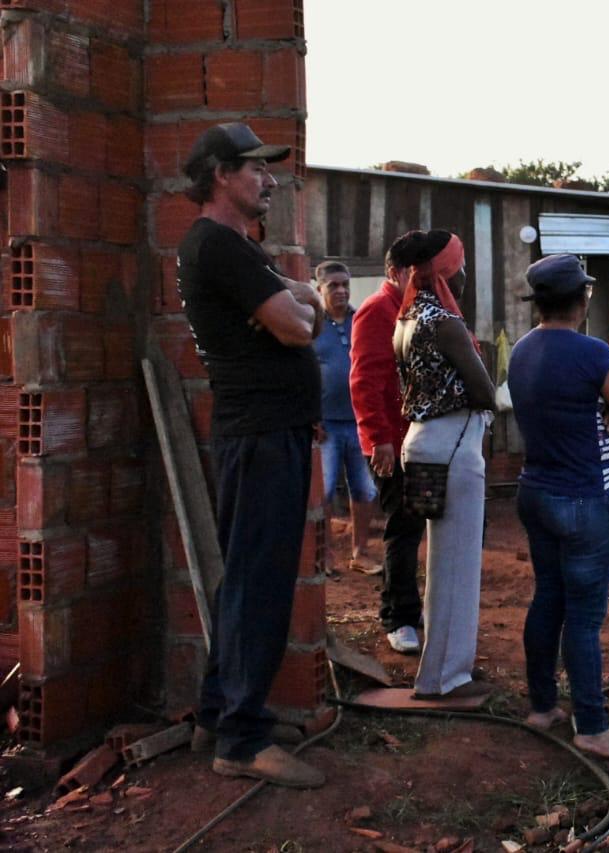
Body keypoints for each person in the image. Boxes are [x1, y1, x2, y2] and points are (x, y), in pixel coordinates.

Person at [178, 122, 325, 787]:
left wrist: (298, 298)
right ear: (219, 175)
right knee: (261, 586)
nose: (269, 180)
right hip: (261, 437)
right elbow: (298, 323)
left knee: (245, 579)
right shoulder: (221, 247)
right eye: (256, 170)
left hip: (269, 432)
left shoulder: (240, 249)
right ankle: (241, 738)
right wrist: (302, 304)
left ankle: (222, 712)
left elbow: (299, 301)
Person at [508, 254, 609, 759]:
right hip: (585, 498)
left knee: (548, 598)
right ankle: (591, 726)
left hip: (535, 491)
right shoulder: (594, 355)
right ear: (583, 299)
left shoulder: (521, 351)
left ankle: (542, 706)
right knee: (585, 619)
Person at [393, 230, 496, 700]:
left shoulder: (407, 318)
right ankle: (445, 678)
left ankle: (439, 670)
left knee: (440, 560)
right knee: (456, 564)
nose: (467, 274)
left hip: (421, 443)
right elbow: (483, 391)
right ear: (447, 273)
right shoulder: (445, 324)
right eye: (462, 266)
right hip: (453, 443)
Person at [351, 232, 438, 655]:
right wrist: (379, 439)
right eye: (415, 272)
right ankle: (398, 617)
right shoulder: (375, 311)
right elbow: (364, 382)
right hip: (392, 445)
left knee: (416, 525)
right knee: (401, 530)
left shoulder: (416, 309)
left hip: (419, 441)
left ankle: (409, 606)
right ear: (394, 273)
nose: (423, 279)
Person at [312, 261, 379, 572]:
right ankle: (324, 555)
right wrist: (311, 417)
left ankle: (360, 552)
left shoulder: (361, 320)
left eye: (344, 285)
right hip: (324, 426)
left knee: (365, 489)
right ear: (319, 289)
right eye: (333, 286)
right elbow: (303, 375)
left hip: (360, 423)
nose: (340, 291)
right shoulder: (312, 325)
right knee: (322, 492)